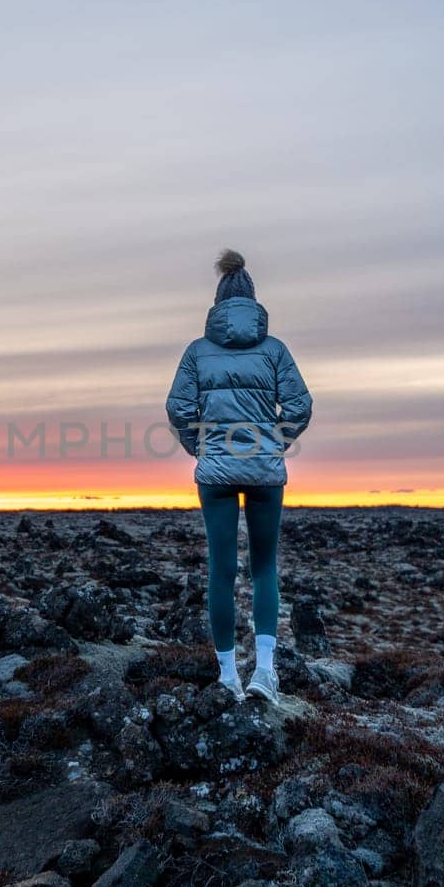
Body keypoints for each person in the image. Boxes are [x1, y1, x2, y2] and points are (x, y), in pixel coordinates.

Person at [165, 249, 313, 702]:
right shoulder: (275, 350)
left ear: (217, 305)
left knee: (221, 570)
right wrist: (273, 444)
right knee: (265, 567)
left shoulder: (196, 351)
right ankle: (265, 672)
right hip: (266, 473)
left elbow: (177, 408)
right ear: (253, 303)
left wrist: (203, 447)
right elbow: (301, 406)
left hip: (216, 475)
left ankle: (228, 675)